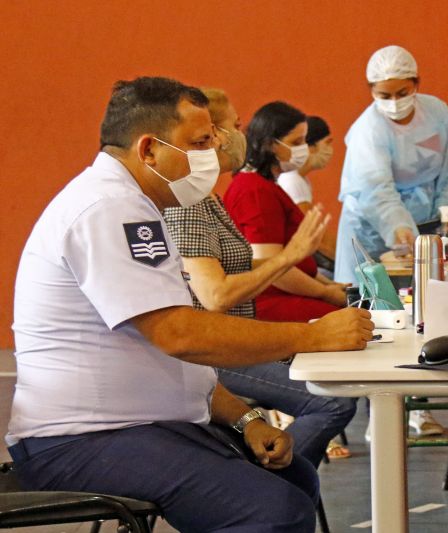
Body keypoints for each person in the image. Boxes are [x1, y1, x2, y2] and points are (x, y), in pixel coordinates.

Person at [7, 76, 374, 533]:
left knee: (294, 476)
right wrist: (315, 337)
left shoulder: (139, 206)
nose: (212, 155)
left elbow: (170, 357)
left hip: (142, 424)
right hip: (80, 440)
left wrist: (244, 419)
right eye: (200, 142)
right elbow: (179, 334)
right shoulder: (107, 209)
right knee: (272, 511)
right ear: (148, 150)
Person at [163, 88, 355, 464]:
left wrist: (300, 267)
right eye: (236, 125)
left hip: (235, 340)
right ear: (211, 134)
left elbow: (244, 267)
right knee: (333, 401)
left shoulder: (209, 197)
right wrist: (292, 258)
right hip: (215, 354)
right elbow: (215, 295)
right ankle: (273, 479)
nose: (241, 136)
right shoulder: (189, 203)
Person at [334, 44, 448, 284]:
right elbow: (376, 190)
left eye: (403, 92)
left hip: (426, 218)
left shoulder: (436, 112)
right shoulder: (368, 130)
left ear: (416, 84)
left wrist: (445, 215)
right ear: (371, 91)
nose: (395, 102)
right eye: (384, 96)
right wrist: (398, 226)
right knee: (372, 297)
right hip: (372, 228)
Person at [224, 101, 348, 322]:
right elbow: (271, 270)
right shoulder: (255, 191)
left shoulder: (266, 186)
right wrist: (324, 292)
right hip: (271, 301)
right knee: (351, 322)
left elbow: (296, 263)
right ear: (271, 144)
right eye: (296, 142)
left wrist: (329, 285)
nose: (303, 149)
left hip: (291, 292)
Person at [277, 115, 338, 274]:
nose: (330, 150)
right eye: (327, 143)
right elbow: (315, 237)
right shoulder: (292, 180)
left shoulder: (300, 180)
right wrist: (347, 262)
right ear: (310, 147)